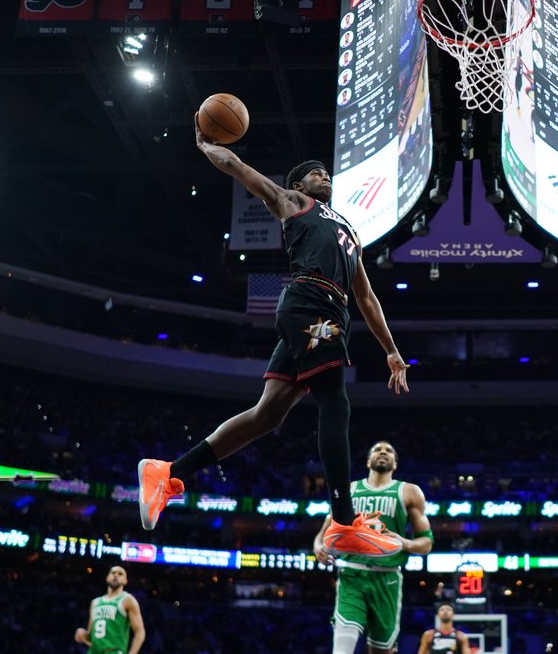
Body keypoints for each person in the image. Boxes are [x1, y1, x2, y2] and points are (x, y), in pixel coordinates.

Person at [136, 138, 410, 561]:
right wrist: (208, 145)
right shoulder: (292, 201)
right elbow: (238, 166)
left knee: (268, 416)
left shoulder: (349, 230)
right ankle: (342, 522)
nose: (326, 177)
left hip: (327, 309)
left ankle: (168, 472)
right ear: (298, 183)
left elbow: (368, 298)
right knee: (335, 404)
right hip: (311, 303)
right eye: (317, 172)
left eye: (328, 173)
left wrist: (391, 350)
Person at [299, 441, 432, 654]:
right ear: (369, 458)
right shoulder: (349, 490)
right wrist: (318, 546)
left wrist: (402, 542)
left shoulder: (408, 492)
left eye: (389, 449)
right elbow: (326, 531)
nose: (383, 451)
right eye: (377, 449)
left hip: (387, 583)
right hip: (353, 578)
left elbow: (426, 542)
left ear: (395, 461)